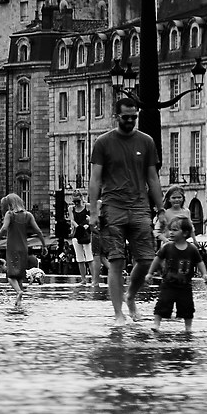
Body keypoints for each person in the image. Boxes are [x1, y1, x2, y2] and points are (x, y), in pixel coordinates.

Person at [88, 96, 162, 328]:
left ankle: (130, 295)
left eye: (133, 117)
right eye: (125, 117)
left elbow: (153, 177)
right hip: (113, 206)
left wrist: (161, 208)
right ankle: (118, 313)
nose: (130, 121)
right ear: (116, 116)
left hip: (140, 206)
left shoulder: (146, 141)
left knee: (147, 258)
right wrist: (92, 211)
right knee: (117, 260)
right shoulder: (103, 142)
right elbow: (95, 179)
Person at [153, 212, 201, 334]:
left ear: (185, 233)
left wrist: (204, 274)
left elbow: (199, 262)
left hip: (185, 285)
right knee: (162, 304)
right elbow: (157, 259)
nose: (170, 233)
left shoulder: (192, 249)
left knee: (187, 307)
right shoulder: (167, 247)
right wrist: (150, 272)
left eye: (175, 230)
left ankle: (188, 327)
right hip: (168, 283)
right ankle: (156, 324)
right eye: (170, 230)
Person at [0, 191, 40, 309]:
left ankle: (18, 292)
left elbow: (4, 228)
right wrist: (43, 244)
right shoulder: (27, 215)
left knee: (11, 276)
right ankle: (19, 303)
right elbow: (38, 230)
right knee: (20, 276)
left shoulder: (10, 214)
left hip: (12, 248)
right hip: (24, 249)